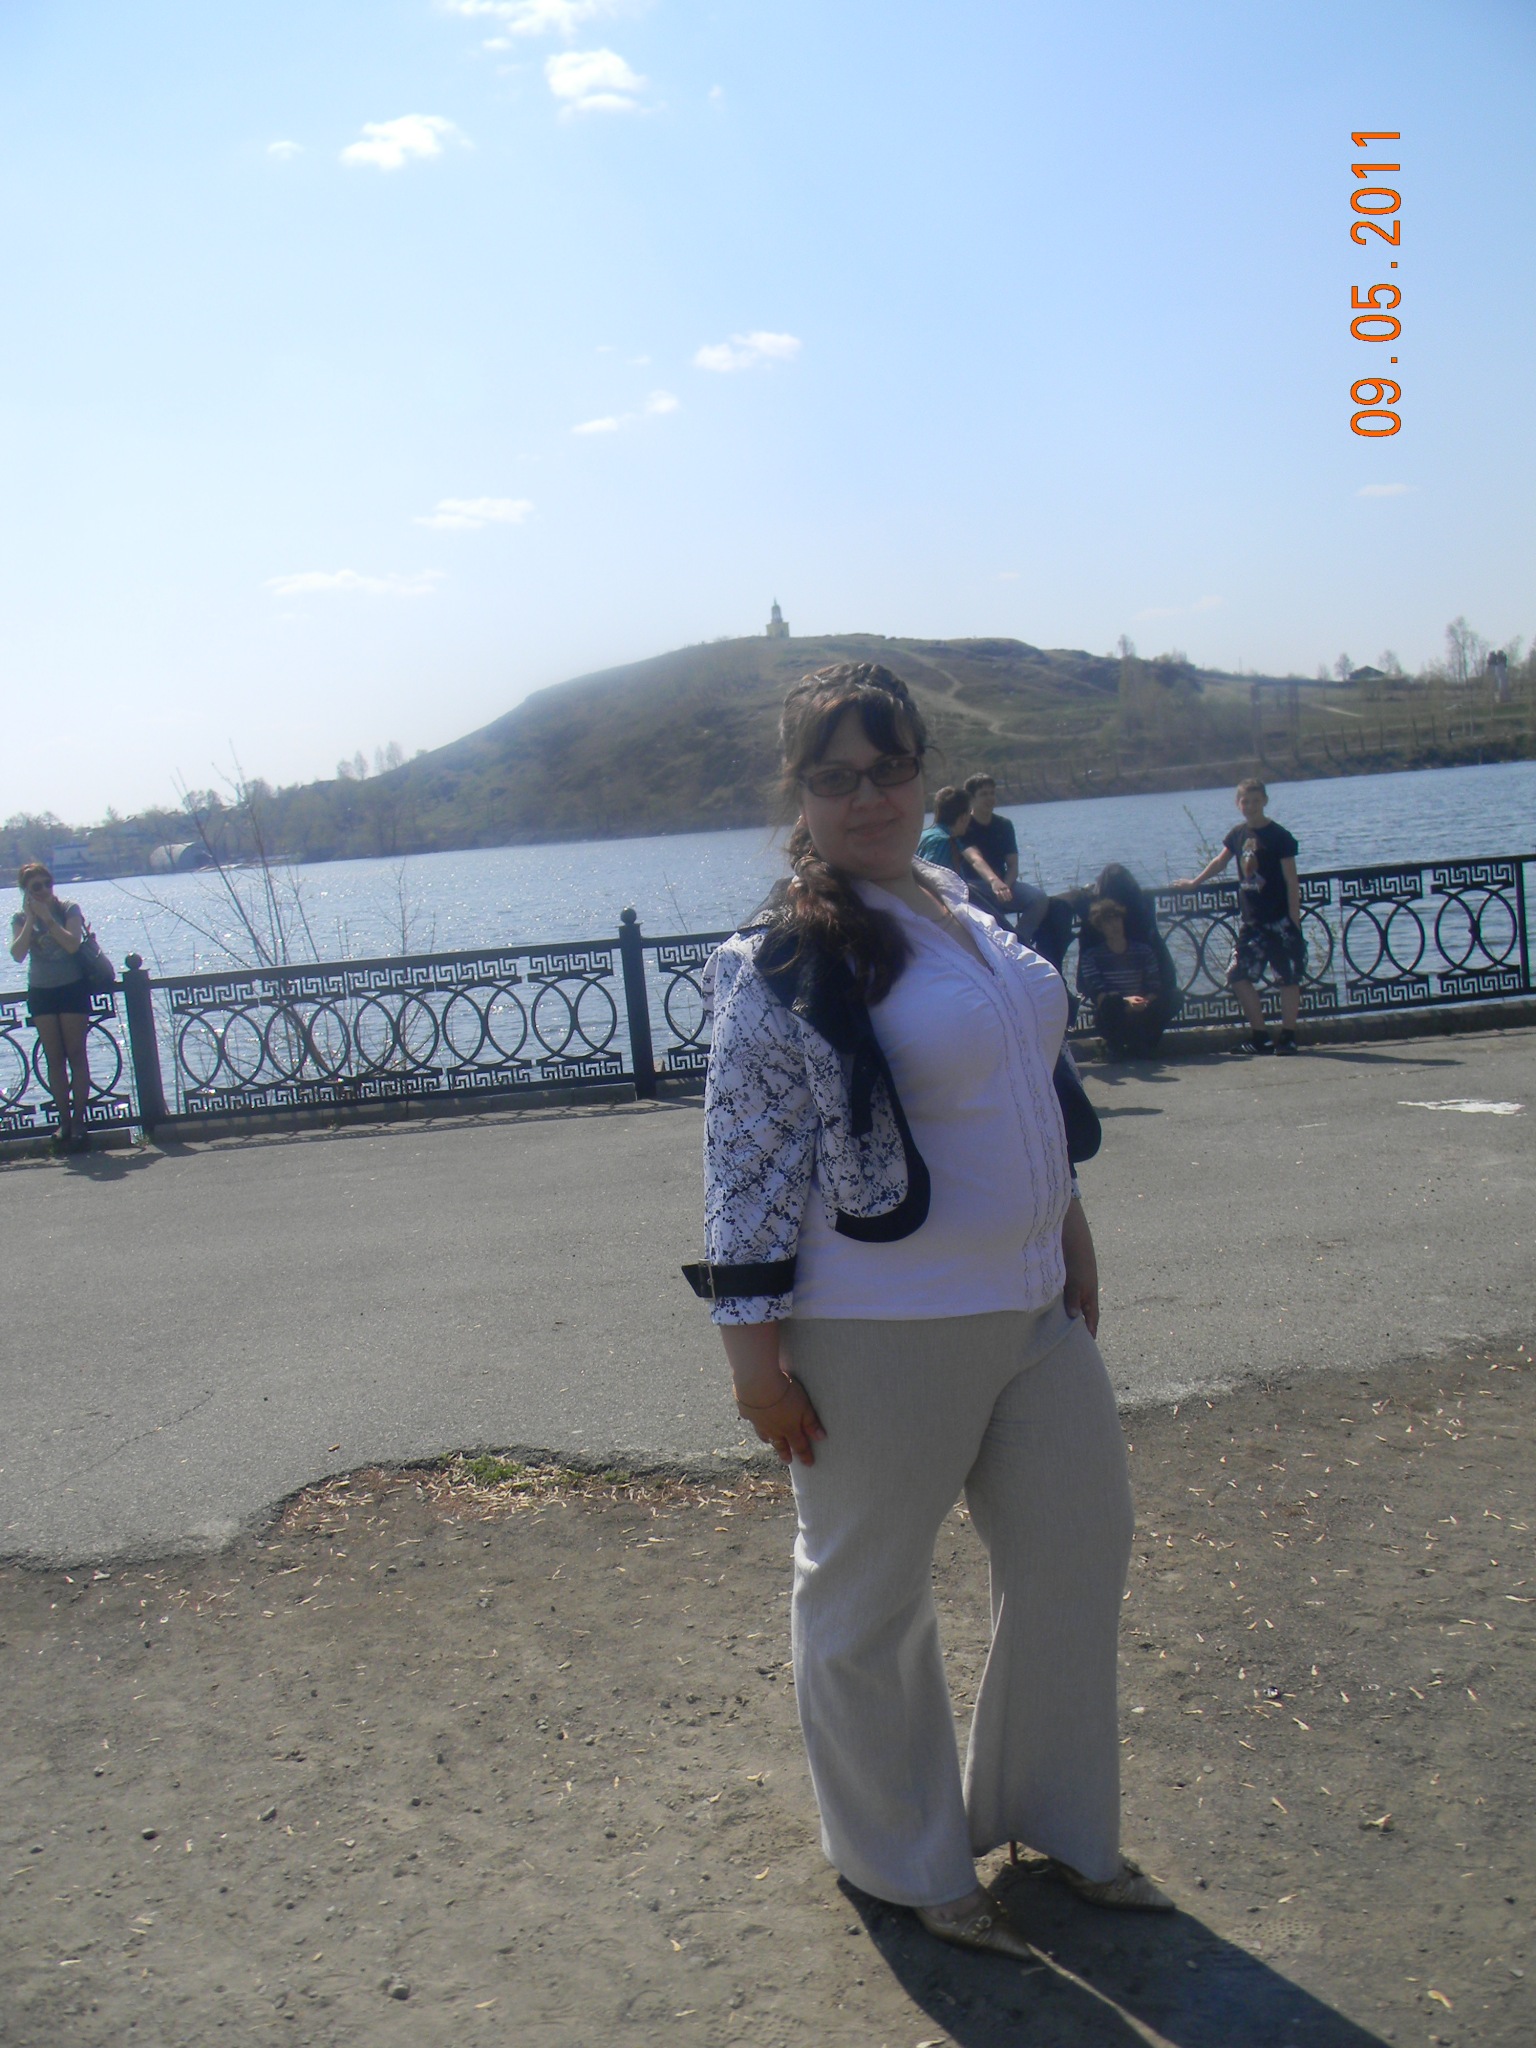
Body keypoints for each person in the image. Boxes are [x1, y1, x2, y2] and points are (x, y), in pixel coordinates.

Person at [689, 662, 1170, 1963]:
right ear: (799, 794)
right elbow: (744, 1169)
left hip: (1030, 1309)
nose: (870, 797)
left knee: (1078, 1547)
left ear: (921, 771)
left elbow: (1024, 1082)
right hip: (881, 1326)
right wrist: (753, 1364)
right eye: (836, 776)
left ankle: (1054, 1820)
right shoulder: (781, 958)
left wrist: (1067, 1221)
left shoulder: (960, 906)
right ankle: (906, 1860)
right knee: (868, 1599)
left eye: (890, 768)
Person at [1176, 780, 1304, 1054]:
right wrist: (1195, 882)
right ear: (1238, 804)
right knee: (1237, 975)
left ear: (1265, 801)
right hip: (1252, 922)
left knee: (1288, 977)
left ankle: (1288, 1036)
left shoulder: (1280, 836)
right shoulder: (1237, 834)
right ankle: (1261, 1036)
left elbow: (1291, 881)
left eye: (1255, 801)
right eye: (1245, 802)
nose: (1250, 806)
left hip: (1280, 919)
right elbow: (1220, 862)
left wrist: (1294, 919)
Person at [10, 862, 93, 1150]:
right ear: (26, 891)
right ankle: (64, 1121)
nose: (45, 890)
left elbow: (72, 944)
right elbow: (17, 954)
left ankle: (80, 1120)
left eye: (48, 883)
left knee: (76, 1054)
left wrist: (48, 919)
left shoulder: (68, 909)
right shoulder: (20, 918)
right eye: (37, 886)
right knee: (54, 1058)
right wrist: (31, 920)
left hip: (71, 988)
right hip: (42, 992)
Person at [1076, 898, 1168, 1060]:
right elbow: (1098, 992)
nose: (1115, 926)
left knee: (1174, 997)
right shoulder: (1092, 956)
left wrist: (1143, 1002)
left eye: (1117, 919)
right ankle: (1115, 1048)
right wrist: (1126, 1002)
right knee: (1110, 1003)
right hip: (1114, 1010)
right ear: (1100, 927)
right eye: (1108, 922)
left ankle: (1143, 1046)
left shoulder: (1143, 951)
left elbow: (1154, 985)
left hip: (1141, 1007)